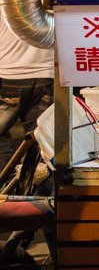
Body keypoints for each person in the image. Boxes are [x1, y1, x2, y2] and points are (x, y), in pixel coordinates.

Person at [0, 18, 54, 165]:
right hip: (47, 76)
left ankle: (8, 178)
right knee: (39, 139)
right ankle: (34, 183)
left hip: (9, 75)